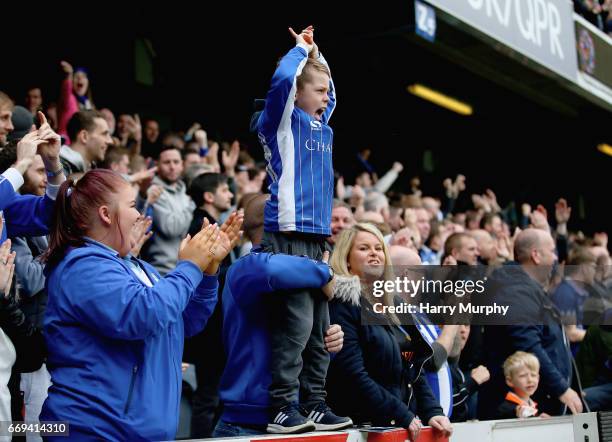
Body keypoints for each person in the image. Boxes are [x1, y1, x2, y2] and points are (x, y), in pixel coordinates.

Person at [39, 169, 243, 440]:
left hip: (135, 431)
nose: (138, 214)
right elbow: (143, 314)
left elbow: (185, 321)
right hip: (96, 430)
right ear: (106, 214)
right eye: (133, 205)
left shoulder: (137, 266)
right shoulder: (82, 266)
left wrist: (207, 271)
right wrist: (190, 266)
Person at [256, 25, 349, 433]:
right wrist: (298, 52)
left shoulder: (320, 124)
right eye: (319, 90)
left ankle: (314, 403)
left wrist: (317, 54)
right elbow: (281, 81)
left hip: (316, 238)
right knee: (295, 327)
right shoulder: (279, 120)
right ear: (298, 93)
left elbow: (333, 93)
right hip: (287, 233)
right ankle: (281, 406)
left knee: (319, 330)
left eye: (327, 91)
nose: (327, 98)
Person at [214, 194, 345, 437]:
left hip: (296, 419)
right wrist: (325, 271)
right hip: (246, 423)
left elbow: (295, 335)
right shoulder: (245, 268)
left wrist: (330, 343)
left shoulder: (302, 272)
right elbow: (271, 268)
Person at [327, 223, 453, 442]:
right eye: (364, 248)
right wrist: (399, 413)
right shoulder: (342, 304)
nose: (374, 254)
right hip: (362, 427)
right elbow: (352, 373)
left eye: (378, 248)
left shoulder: (394, 303)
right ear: (346, 258)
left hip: (399, 423)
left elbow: (414, 367)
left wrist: (433, 412)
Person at [479, 229, 582, 418]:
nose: (555, 259)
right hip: (525, 406)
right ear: (536, 255)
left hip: (538, 400)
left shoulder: (522, 286)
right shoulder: (515, 290)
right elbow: (528, 345)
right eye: (552, 251)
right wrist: (561, 388)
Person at [496, 352, 549, 419]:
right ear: (510, 381)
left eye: (533, 375)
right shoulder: (506, 408)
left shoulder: (534, 405)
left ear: (538, 378)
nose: (530, 380)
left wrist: (540, 419)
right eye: (523, 376)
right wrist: (516, 414)